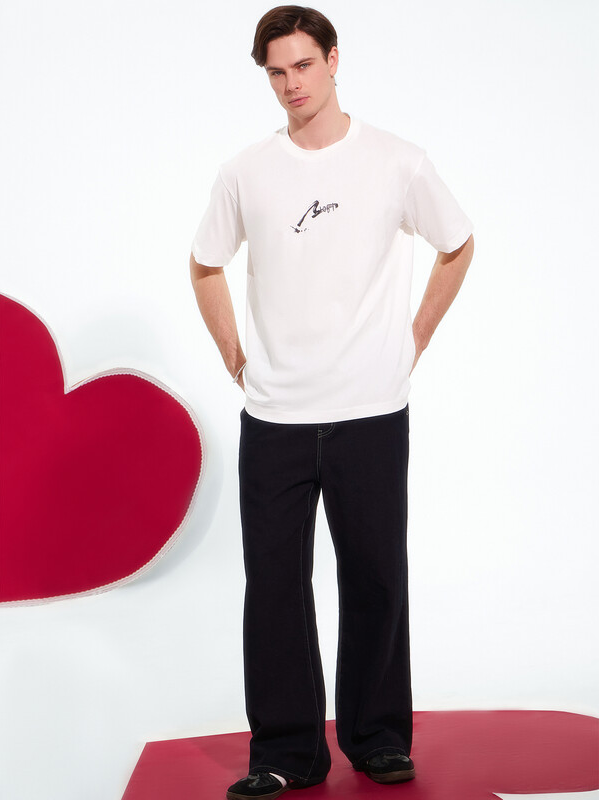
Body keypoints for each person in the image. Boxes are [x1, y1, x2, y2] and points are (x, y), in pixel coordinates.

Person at [190, 6, 474, 799]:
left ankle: (378, 738)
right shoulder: (246, 171)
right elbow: (205, 263)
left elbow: (457, 244)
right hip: (275, 417)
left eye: (303, 65)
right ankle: (285, 753)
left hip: (371, 411)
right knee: (275, 588)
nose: (292, 84)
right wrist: (234, 355)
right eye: (276, 72)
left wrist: (415, 338)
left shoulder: (397, 162)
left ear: (334, 60)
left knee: (376, 577)